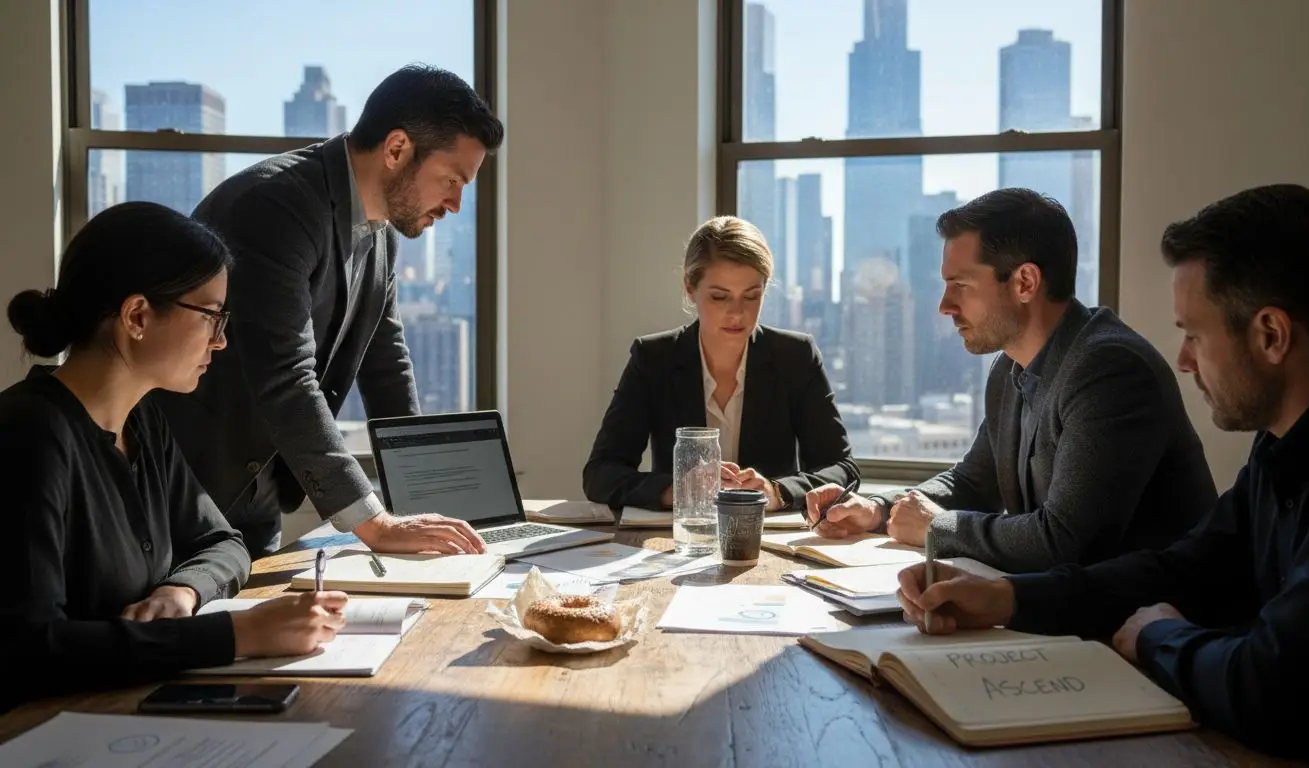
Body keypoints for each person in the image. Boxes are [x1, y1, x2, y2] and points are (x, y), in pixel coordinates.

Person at [893, 183, 1309, 759]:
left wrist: (1159, 636)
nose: (1181, 360)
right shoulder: (1278, 447)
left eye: (1193, 334)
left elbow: (1274, 684)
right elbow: (1185, 568)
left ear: (1271, 336)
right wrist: (1007, 598)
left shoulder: (1110, 364)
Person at [0, 202, 349, 711]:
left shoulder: (143, 421)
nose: (221, 340)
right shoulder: (29, 433)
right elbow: (31, 650)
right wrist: (238, 634)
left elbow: (223, 543)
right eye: (211, 315)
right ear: (137, 315)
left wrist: (183, 590)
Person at [155, 64, 504, 558]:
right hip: (185, 487)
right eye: (452, 179)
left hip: (258, 492)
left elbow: (386, 362)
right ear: (397, 148)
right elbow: (285, 375)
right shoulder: (276, 206)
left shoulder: (381, 230)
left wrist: (427, 499)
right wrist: (376, 524)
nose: (456, 203)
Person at [805, 189, 1215, 572]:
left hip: (1144, 631)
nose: (945, 306)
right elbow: (974, 481)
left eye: (960, 286)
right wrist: (876, 508)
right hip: (1064, 617)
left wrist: (939, 526)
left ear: (1025, 282)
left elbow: (1067, 541)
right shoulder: (1010, 368)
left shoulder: (1110, 369)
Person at [584, 215, 860, 512]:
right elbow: (601, 473)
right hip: (681, 537)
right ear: (690, 287)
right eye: (719, 297)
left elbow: (842, 469)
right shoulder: (653, 358)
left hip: (770, 538)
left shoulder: (795, 356)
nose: (737, 314)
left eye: (752, 296)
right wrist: (673, 491)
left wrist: (776, 491)